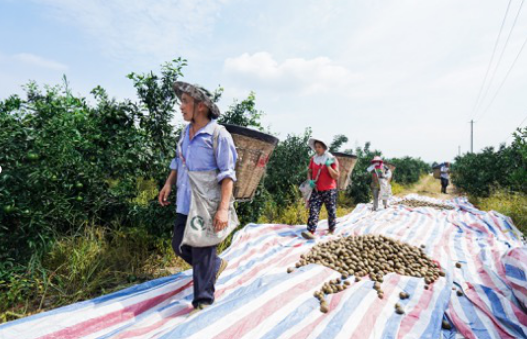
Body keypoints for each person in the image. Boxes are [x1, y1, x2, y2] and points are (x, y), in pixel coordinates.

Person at [158, 82, 238, 314]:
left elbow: (227, 175)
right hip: (185, 199)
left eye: (185, 101)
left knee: (202, 247)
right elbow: (178, 161)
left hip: (206, 203)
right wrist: (168, 183)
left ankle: (203, 302)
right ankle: (215, 265)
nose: (181, 107)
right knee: (179, 244)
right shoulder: (186, 132)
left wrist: (223, 209)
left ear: (201, 106)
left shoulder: (218, 135)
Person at [301, 138, 340, 240]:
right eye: (316, 147)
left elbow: (336, 176)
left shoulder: (331, 159)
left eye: (319, 147)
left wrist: (328, 166)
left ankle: (331, 230)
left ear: (324, 148)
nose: (317, 149)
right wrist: (310, 181)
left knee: (331, 211)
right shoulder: (313, 159)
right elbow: (309, 171)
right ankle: (310, 231)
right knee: (313, 210)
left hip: (329, 190)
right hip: (316, 190)